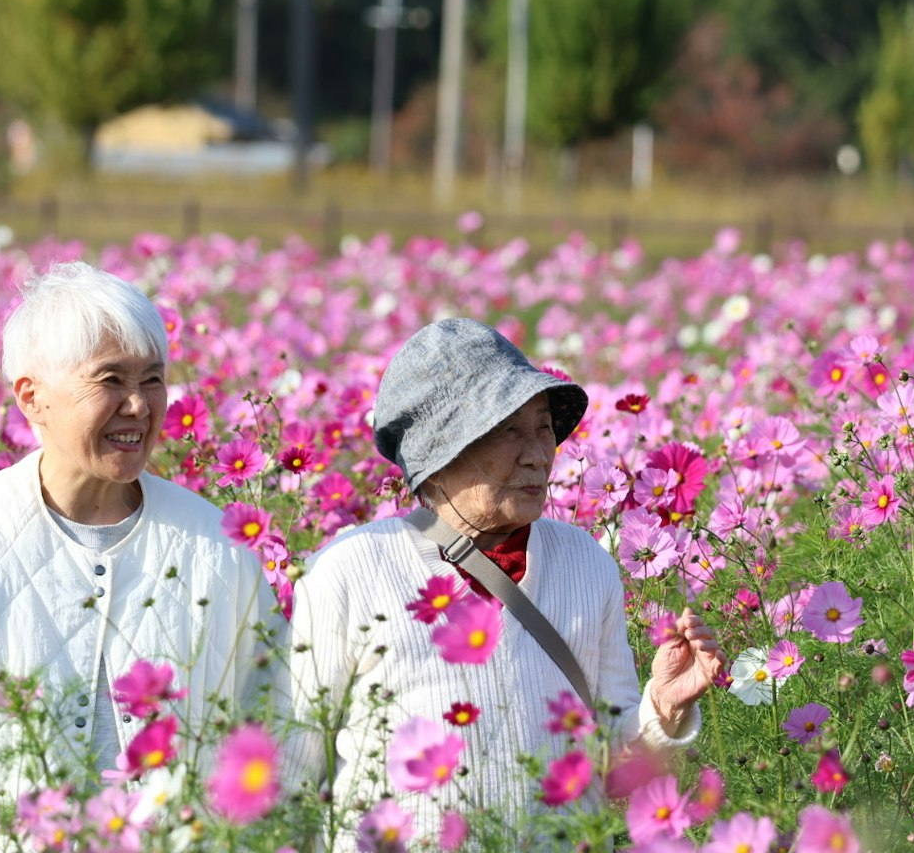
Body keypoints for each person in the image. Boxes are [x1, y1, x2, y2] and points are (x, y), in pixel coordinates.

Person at [0, 261, 280, 852]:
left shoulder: (215, 547)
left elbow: (270, 745)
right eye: (111, 379)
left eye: (152, 379)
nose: (138, 406)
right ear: (32, 398)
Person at [285, 318, 722, 848]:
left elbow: (611, 757)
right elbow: (294, 773)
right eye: (507, 430)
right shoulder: (350, 571)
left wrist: (664, 708)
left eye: (543, 427)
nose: (538, 453)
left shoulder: (584, 562)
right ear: (439, 453)